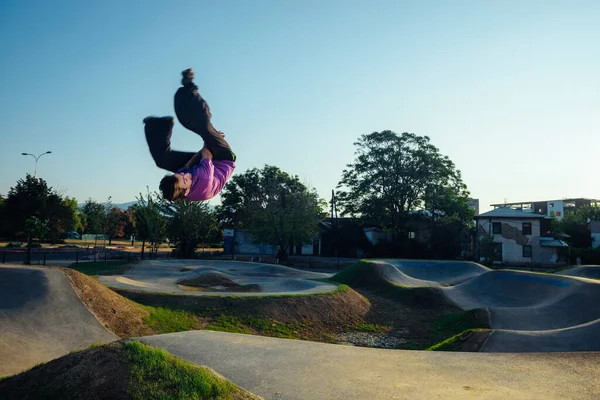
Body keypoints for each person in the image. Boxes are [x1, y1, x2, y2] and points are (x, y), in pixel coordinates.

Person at [143, 68, 236, 201]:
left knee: (162, 160)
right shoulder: (204, 180)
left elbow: (188, 167)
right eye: (185, 180)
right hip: (223, 158)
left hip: (204, 163)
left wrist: (187, 169)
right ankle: (189, 86)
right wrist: (210, 139)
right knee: (205, 129)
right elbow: (207, 153)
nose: (186, 176)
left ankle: (159, 125)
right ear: (186, 192)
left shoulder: (180, 183)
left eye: (181, 176)